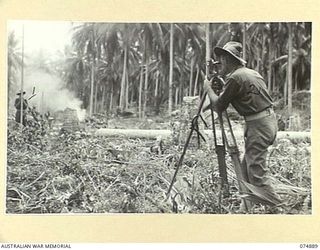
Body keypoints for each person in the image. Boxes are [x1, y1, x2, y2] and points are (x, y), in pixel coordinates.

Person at [203, 41, 280, 211]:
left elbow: (218, 106)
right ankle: (247, 206)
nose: (218, 62)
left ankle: (279, 208)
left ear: (230, 59)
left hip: (258, 126)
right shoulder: (250, 73)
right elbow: (243, 95)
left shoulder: (235, 77)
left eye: (221, 58)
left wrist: (208, 88)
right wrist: (223, 85)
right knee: (246, 168)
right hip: (267, 122)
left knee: (255, 171)